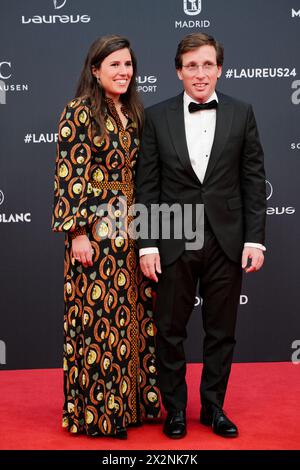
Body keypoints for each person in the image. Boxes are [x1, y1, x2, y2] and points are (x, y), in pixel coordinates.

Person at [135, 33, 266, 439]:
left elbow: (252, 180)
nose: (200, 73)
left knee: (221, 330)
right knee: (170, 330)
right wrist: (149, 243)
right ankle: (175, 409)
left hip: (227, 239)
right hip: (174, 236)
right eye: (191, 65)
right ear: (178, 71)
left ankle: (213, 407)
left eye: (207, 64)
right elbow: (147, 184)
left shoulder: (242, 113)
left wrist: (254, 239)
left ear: (219, 69)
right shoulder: (156, 117)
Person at [52, 35, 160, 439]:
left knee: (135, 317)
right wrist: (77, 232)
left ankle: (132, 405)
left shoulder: (134, 112)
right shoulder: (78, 112)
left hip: (133, 229)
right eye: (114, 64)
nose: (123, 72)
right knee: (101, 321)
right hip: (95, 232)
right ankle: (100, 412)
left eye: (128, 64)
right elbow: (69, 174)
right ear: (95, 70)